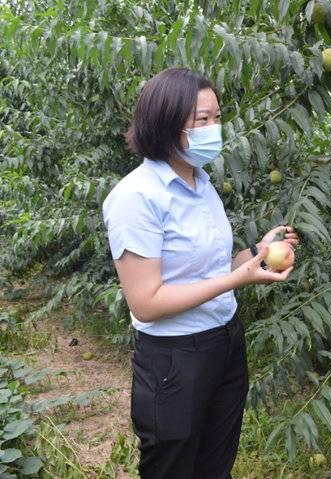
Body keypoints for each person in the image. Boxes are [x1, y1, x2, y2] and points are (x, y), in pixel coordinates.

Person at [102, 68, 298, 478]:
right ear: (165, 124)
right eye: (201, 120)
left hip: (224, 342)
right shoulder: (136, 198)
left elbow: (205, 270)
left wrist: (256, 253)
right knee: (172, 468)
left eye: (217, 116)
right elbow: (147, 302)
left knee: (216, 465)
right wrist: (238, 280)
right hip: (174, 359)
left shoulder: (200, 183)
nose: (214, 128)